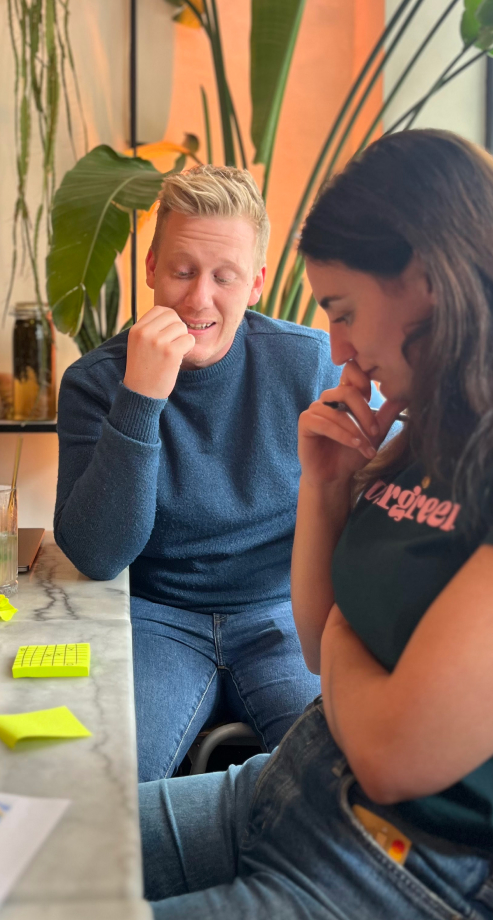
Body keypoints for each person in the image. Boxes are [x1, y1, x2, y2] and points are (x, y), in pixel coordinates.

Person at [138, 129, 493, 920]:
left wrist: (343, 636)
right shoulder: (443, 418)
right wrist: (324, 485)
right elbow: (325, 634)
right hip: (288, 790)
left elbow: (395, 750)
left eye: (345, 311)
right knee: (11, 850)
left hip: (417, 883)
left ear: (431, 281)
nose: (337, 348)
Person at [55, 166, 344, 782]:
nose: (198, 299)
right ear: (152, 267)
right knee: (107, 786)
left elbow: (404, 481)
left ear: (257, 284)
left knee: (341, 778)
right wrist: (141, 397)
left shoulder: (310, 364)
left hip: (282, 614)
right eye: (182, 271)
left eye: (225, 276)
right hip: (156, 616)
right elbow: (99, 555)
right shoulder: (96, 381)